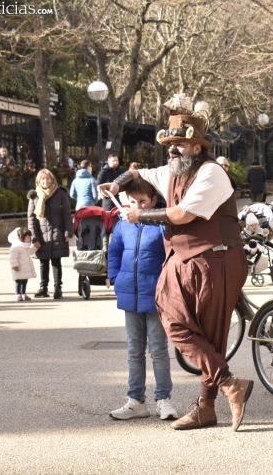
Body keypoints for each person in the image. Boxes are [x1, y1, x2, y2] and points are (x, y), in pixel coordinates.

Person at [98, 100, 252, 432]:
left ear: (198, 147)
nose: (172, 150)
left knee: (210, 335)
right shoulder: (172, 170)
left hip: (218, 259)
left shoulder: (212, 172)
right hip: (188, 259)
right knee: (175, 321)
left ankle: (206, 408)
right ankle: (229, 385)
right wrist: (118, 183)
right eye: (169, 145)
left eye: (179, 144)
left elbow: (183, 215)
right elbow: (138, 172)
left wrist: (139, 215)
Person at [108, 179, 178, 421]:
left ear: (153, 202)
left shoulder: (160, 225)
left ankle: (163, 400)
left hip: (156, 295)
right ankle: (136, 401)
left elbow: (172, 255)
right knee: (134, 350)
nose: (135, 205)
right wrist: (115, 276)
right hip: (130, 294)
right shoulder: (122, 224)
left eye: (142, 201)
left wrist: (166, 285)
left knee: (158, 349)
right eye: (132, 201)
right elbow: (115, 251)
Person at [27, 169, 73, 299]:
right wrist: (34, 237)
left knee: (56, 262)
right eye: (43, 179)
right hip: (41, 234)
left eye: (48, 179)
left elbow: (67, 215)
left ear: (52, 180)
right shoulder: (34, 196)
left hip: (57, 233)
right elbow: (31, 219)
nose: (45, 181)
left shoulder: (60, 194)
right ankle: (43, 288)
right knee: (43, 262)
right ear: (38, 181)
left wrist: (68, 231)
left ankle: (58, 288)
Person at [8, 227, 37, 301]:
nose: (29, 239)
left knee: (24, 281)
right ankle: (18, 294)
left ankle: (23, 293)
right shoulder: (15, 247)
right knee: (18, 281)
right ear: (21, 238)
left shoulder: (26, 247)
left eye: (29, 237)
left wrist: (35, 247)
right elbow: (13, 258)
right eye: (27, 237)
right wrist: (14, 265)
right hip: (19, 268)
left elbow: (30, 252)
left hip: (25, 268)